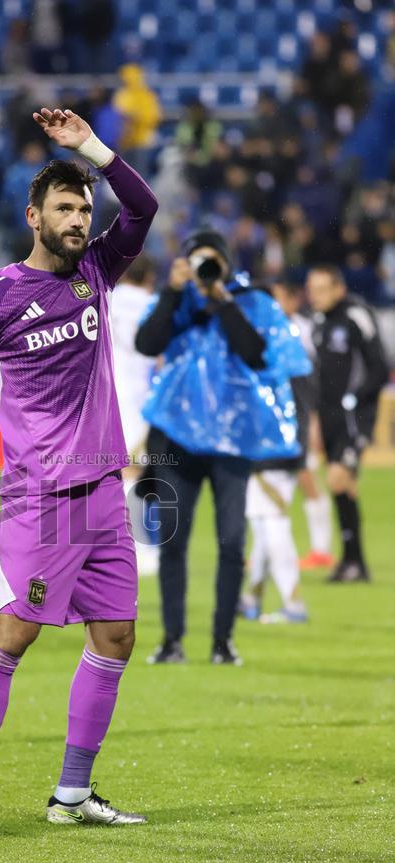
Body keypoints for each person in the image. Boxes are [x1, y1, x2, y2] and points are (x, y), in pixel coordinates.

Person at [0, 106, 158, 833]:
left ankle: (72, 794)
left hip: (101, 490)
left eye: (84, 206)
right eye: (64, 207)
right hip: (39, 496)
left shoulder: (98, 268)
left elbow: (145, 205)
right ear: (34, 215)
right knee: (15, 632)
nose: (77, 217)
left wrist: (90, 149)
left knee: (117, 636)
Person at [135, 228, 308, 666]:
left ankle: (222, 641)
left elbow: (256, 353)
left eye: (214, 263)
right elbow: (146, 343)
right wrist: (176, 292)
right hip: (178, 438)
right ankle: (172, 640)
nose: (206, 271)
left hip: (233, 442)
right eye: (198, 262)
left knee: (232, 542)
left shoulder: (250, 303)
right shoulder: (176, 301)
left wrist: (223, 299)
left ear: (228, 266)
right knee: (173, 542)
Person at [306, 265, 388, 581]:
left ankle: (354, 561)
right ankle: (354, 562)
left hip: (354, 416)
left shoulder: (356, 315)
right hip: (328, 416)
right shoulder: (318, 321)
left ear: (338, 289)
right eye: (311, 290)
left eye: (321, 289)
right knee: (341, 484)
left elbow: (379, 366)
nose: (314, 296)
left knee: (339, 478)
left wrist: (354, 399)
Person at [239, 284, 315, 625]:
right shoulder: (287, 341)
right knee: (265, 521)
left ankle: (293, 602)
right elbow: (305, 398)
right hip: (284, 446)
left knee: (273, 523)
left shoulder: (259, 345)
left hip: (266, 449)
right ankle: (251, 598)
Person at [272, 278, 334, 570]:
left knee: (306, 475)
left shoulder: (302, 331)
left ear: (294, 301)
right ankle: (271, 547)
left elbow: (313, 381)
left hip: (302, 414)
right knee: (278, 480)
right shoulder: (272, 328)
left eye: (280, 298)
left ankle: (321, 548)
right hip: (282, 415)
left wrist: (315, 420)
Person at [109, 254, 158, 576]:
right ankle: (143, 549)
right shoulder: (153, 303)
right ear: (150, 277)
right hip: (141, 396)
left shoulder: (106, 298)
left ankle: (129, 545)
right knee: (137, 473)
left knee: (121, 474)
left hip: (111, 394)